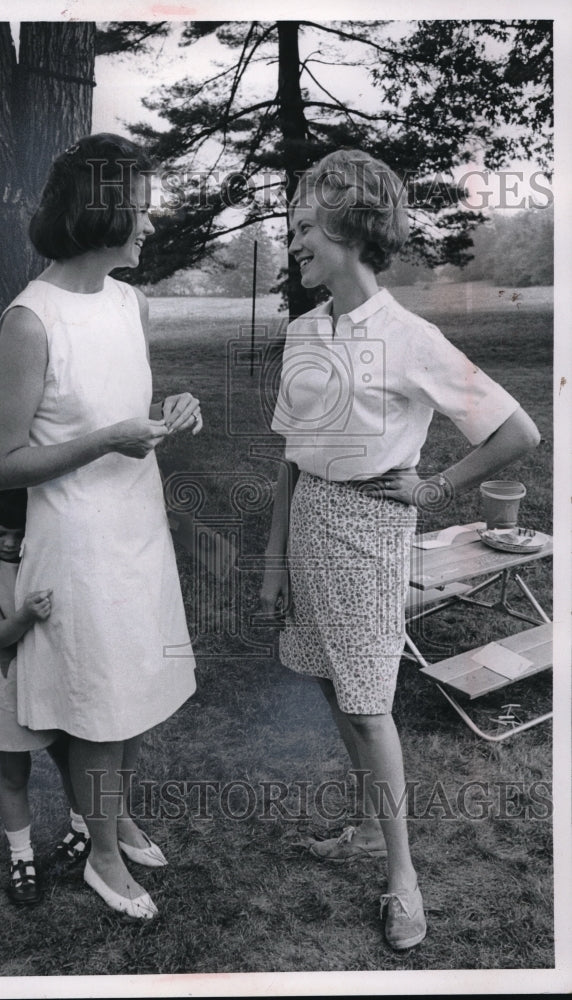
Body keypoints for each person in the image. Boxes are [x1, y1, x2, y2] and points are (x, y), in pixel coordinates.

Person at [260, 148, 540, 949]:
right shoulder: (305, 330)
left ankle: (404, 877)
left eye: (304, 229)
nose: (295, 246)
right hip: (310, 517)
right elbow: (290, 453)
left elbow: (516, 430)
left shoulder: (411, 337)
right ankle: (363, 824)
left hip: (369, 531)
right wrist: (274, 557)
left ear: (349, 229)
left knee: (368, 702)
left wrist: (434, 488)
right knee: (330, 682)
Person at [0, 133, 200, 920]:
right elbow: (1, 464)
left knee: (132, 689)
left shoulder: (128, 301)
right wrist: (109, 438)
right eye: (138, 213)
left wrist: (169, 410)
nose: (149, 228)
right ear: (99, 214)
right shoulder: (30, 323)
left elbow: (118, 406)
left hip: (136, 528)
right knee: (100, 702)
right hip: (75, 543)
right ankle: (102, 856)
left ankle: (109, 815)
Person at [0, 474, 87, 905]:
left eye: (21, 532)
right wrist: (27, 615)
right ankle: (22, 858)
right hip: (4, 687)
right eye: (0, 532)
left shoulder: (44, 555)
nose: (11, 543)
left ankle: (84, 830)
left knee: (71, 761)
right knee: (14, 775)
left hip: (50, 681)